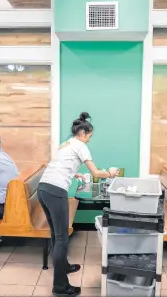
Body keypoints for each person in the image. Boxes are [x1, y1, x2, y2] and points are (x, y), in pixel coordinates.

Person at [38, 112, 119, 297]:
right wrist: (111, 173)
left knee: (55, 234)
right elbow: (97, 173)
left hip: (44, 189)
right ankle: (60, 287)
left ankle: (64, 266)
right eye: (89, 136)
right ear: (82, 133)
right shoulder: (81, 146)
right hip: (55, 191)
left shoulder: (66, 143)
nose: (89, 140)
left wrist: (74, 174)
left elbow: (59, 165)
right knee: (62, 238)